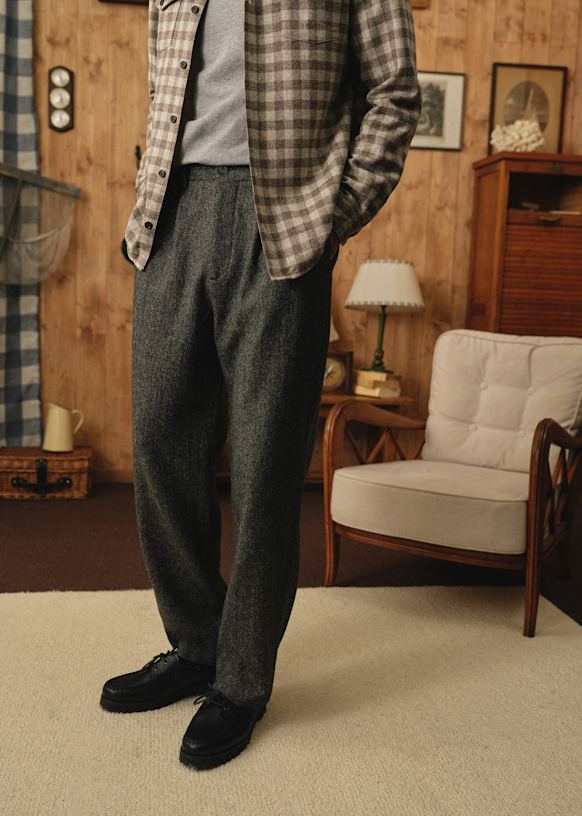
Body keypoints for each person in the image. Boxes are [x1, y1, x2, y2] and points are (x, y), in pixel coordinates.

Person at [101, 0, 421, 771]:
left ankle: (242, 680)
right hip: (172, 211)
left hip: (283, 217)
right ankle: (197, 645)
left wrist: (333, 216)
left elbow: (395, 93)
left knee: (266, 467)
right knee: (160, 443)